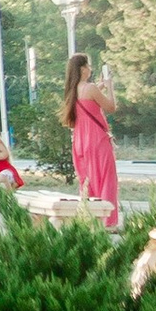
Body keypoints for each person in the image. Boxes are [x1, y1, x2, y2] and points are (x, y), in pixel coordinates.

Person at [65, 52, 122, 231]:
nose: (90, 69)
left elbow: (87, 100)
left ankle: (88, 219)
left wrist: (100, 87)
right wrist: (110, 87)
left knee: (87, 180)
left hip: (80, 140)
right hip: (97, 139)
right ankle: (108, 221)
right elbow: (111, 107)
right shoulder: (90, 88)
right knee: (106, 178)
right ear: (82, 69)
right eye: (88, 66)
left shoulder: (72, 90)